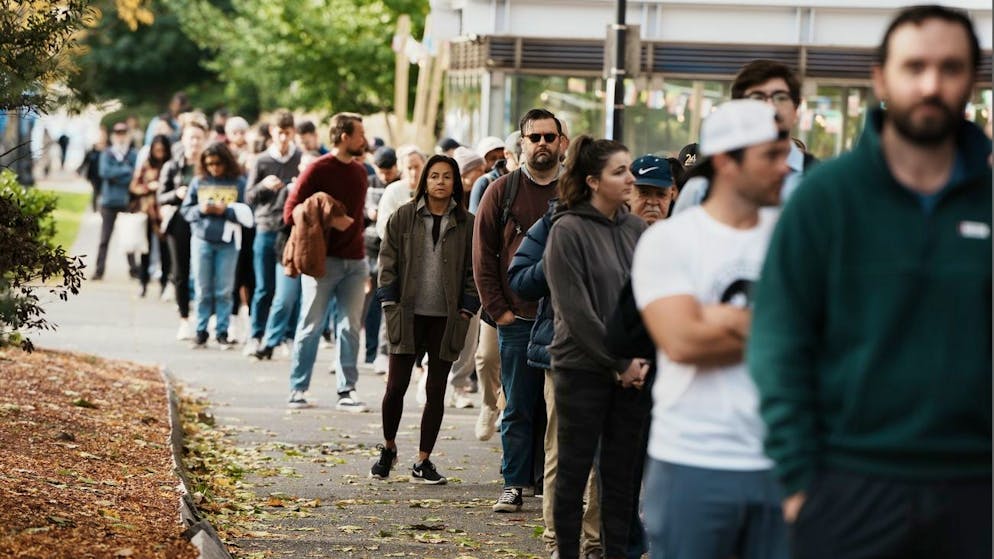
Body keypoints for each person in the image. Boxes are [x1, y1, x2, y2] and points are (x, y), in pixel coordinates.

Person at [749, 7, 992, 559]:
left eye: (950, 67)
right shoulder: (825, 198)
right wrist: (799, 481)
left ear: (972, 81)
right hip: (847, 487)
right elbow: (778, 341)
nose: (931, 84)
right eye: (915, 66)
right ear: (882, 78)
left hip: (979, 492)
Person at [632, 100, 792, 559]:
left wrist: (721, 319)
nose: (786, 168)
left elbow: (823, 337)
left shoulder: (795, 234)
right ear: (726, 161)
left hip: (781, 462)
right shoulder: (671, 240)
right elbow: (683, 342)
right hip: (692, 463)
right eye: (771, 157)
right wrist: (779, 323)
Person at [542, 136, 649, 559]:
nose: (630, 178)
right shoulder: (567, 231)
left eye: (630, 169)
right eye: (619, 171)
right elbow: (577, 312)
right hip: (581, 370)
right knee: (572, 473)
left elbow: (649, 300)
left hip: (634, 374)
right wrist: (618, 361)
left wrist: (640, 360)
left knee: (622, 479)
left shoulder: (637, 229)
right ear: (591, 181)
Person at [475, 108, 565, 513]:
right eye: (535, 138)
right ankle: (513, 483)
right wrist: (500, 311)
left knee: (556, 410)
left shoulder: (576, 191)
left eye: (550, 137)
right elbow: (482, 258)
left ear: (562, 142)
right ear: (522, 143)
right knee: (517, 407)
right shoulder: (501, 191)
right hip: (518, 319)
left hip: (565, 321)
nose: (543, 144)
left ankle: (549, 484)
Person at [370, 154, 479, 485]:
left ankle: (423, 460)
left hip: (446, 318)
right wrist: (389, 301)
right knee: (395, 387)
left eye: (447, 176)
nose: (440, 182)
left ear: (455, 183)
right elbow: (386, 260)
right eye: (434, 176)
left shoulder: (467, 222)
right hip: (407, 314)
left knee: (436, 389)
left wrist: (466, 308)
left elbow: (473, 270)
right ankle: (388, 448)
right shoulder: (403, 216)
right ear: (424, 181)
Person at [282, 112, 370, 412]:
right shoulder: (317, 169)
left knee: (350, 327)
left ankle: (347, 390)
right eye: (360, 134)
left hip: (356, 261)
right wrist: (329, 217)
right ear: (344, 136)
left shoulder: (360, 172)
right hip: (322, 261)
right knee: (310, 325)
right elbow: (290, 211)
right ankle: (298, 389)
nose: (364, 140)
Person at [673, 59, 815, 214]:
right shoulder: (703, 186)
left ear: (796, 109)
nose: (770, 107)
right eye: (757, 98)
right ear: (738, 109)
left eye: (780, 98)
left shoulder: (821, 181)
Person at [180, 142, 249, 348]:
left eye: (218, 163)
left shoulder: (238, 182)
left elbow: (247, 211)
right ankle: (201, 330)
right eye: (209, 164)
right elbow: (186, 211)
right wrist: (202, 210)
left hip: (228, 241)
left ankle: (222, 330)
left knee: (225, 290)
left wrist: (225, 211)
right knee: (202, 289)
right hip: (202, 239)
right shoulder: (198, 181)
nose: (214, 168)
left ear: (226, 162)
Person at [244, 111, 302, 355]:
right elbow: (248, 197)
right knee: (263, 287)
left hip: (292, 230)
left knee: (290, 289)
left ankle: (287, 335)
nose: (284, 138)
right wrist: (264, 186)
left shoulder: (300, 158)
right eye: (280, 133)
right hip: (266, 227)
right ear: (272, 132)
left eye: (288, 133)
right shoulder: (261, 161)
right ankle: (256, 335)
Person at [159, 120, 209, 340]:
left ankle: (205, 318)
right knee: (180, 271)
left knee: (204, 274)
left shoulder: (211, 164)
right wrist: (176, 194)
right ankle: (184, 319)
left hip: (206, 221)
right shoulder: (172, 166)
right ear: (183, 140)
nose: (195, 142)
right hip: (178, 221)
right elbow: (161, 196)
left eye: (199, 138)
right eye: (191, 138)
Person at [91, 122, 138, 280]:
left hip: (126, 201)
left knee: (128, 237)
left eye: (123, 132)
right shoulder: (107, 153)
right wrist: (125, 170)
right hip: (109, 202)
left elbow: (134, 175)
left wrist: (117, 174)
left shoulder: (132, 154)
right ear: (113, 135)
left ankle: (134, 270)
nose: (120, 135)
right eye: (118, 132)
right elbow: (104, 172)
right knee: (104, 239)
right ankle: (99, 270)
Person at [128, 134, 172, 296]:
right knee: (145, 251)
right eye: (157, 150)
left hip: (164, 213)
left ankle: (164, 284)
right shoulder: (146, 165)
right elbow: (134, 186)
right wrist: (149, 187)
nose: (159, 152)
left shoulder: (171, 166)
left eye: (162, 150)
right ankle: (143, 283)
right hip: (147, 212)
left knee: (165, 252)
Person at [470, 131, 522, 213]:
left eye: (501, 157)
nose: (498, 161)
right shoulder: (484, 182)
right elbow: (475, 220)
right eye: (492, 158)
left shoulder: (522, 180)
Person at [629, 155, 680, 223]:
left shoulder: (683, 231)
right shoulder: (614, 232)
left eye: (661, 194)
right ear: (628, 194)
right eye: (644, 193)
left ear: (671, 195)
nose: (652, 202)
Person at [79, 127, 107, 212]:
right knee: (95, 191)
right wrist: (79, 170)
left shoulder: (107, 150)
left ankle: (101, 208)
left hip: (103, 175)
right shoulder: (91, 151)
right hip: (93, 176)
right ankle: (95, 209)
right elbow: (85, 162)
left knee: (102, 192)